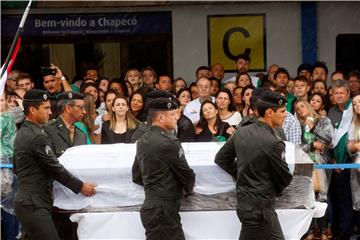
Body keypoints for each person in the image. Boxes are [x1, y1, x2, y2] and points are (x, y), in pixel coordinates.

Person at [13, 89, 96, 240]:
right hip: (34, 203)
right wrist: (80, 187)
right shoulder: (37, 135)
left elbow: (16, 167)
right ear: (32, 110)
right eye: (45, 108)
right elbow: (54, 167)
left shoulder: (25, 131)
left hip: (32, 201)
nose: (50, 112)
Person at [215, 90, 293, 240]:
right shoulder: (274, 142)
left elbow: (221, 159)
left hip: (248, 204)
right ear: (270, 112)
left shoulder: (241, 132)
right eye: (282, 111)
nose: (285, 115)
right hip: (260, 208)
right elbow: (284, 177)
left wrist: (241, 174)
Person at [132, 97, 196, 240]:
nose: (176, 118)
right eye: (172, 115)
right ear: (161, 117)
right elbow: (186, 175)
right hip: (164, 210)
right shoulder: (170, 142)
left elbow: (136, 175)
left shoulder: (142, 141)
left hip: (151, 207)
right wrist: (188, 190)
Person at [294, 99, 334, 240]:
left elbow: (330, 140)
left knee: (322, 198)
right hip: (306, 165)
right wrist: (312, 146)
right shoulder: (298, 125)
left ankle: (323, 231)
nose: (300, 110)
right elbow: (297, 148)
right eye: (297, 109)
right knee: (307, 198)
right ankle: (310, 231)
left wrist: (313, 127)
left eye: (302, 106)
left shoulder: (323, 121)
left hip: (322, 165)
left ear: (309, 106)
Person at [327, 80, 354, 239]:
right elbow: (328, 138)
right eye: (336, 93)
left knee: (349, 199)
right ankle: (337, 230)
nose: (338, 96)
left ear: (348, 94)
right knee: (337, 197)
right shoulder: (331, 112)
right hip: (335, 163)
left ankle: (347, 231)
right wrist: (333, 160)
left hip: (353, 162)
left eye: (341, 93)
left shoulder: (355, 108)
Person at [43, 91, 87, 157]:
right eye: (81, 107)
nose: (84, 112)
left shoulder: (81, 135)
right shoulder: (48, 130)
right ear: (68, 108)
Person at [0, 91, 19, 240]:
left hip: (6, 169)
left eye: (0, 100)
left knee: (9, 211)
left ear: (6, 101)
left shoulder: (7, 117)